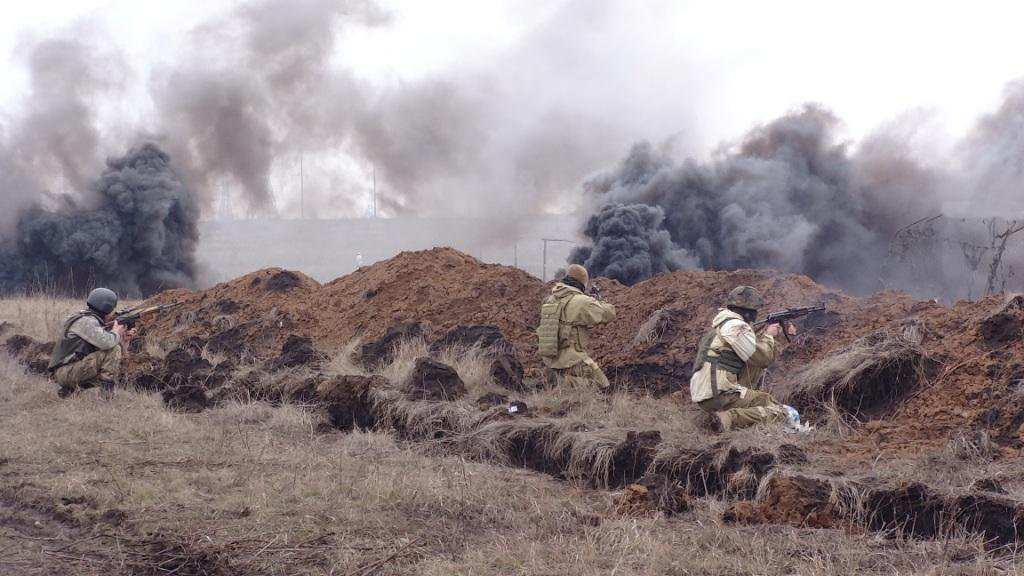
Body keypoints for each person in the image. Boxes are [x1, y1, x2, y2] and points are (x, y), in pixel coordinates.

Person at [690, 285, 796, 432]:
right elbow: (763, 359)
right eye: (754, 311)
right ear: (747, 312)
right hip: (719, 393)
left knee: (765, 400)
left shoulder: (721, 326)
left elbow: (751, 360)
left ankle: (721, 418)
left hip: (708, 393)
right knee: (780, 412)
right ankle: (727, 419)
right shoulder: (736, 326)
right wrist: (770, 336)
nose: (755, 314)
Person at [536, 264, 616, 390]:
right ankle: (567, 384)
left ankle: (557, 381)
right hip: (572, 360)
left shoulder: (550, 299)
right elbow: (609, 313)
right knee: (603, 386)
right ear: (582, 282)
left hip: (550, 361)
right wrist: (598, 300)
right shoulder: (581, 301)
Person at [47, 288, 134, 399]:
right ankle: (106, 397)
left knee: (113, 353)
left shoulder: (84, 318)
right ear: (106, 307)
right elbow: (107, 343)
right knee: (114, 350)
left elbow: (99, 343)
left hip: (66, 371)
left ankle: (69, 391)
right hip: (65, 373)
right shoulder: (87, 322)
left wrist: (122, 338)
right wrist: (116, 332)